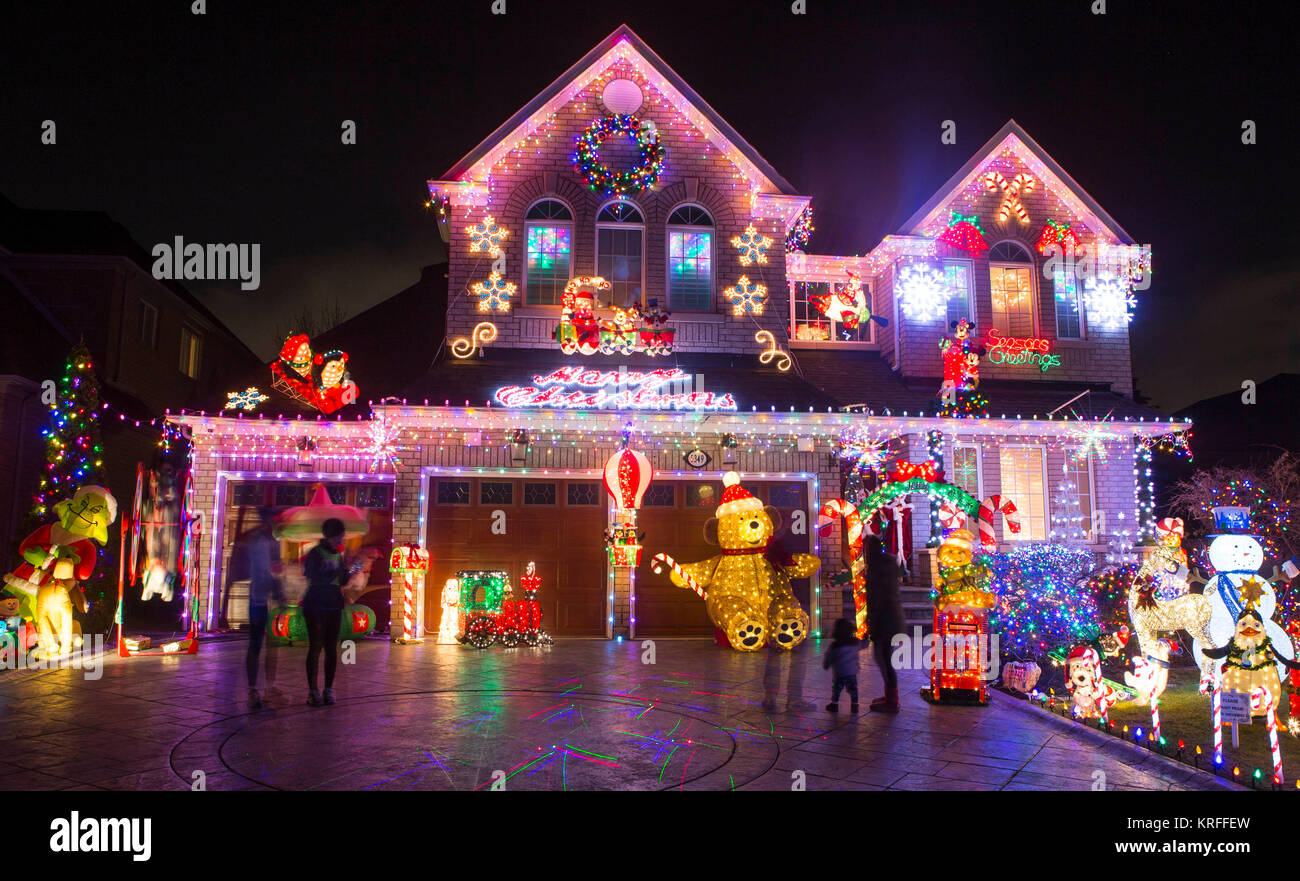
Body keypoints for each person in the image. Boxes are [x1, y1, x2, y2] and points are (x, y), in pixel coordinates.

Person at [301, 517, 357, 706]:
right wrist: (334, 572)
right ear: (330, 535)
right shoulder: (315, 553)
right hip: (316, 603)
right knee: (315, 647)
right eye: (339, 536)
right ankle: (313, 690)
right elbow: (312, 575)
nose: (341, 540)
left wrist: (351, 570)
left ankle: (328, 689)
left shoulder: (337, 555)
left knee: (332, 648)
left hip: (333, 603)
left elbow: (341, 581)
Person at [244, 507, 284, 710]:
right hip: (259, 598)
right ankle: (253, 689)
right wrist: (276, 588)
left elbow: (276, 568)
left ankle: (269, 686)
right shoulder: (259, 541)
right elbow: (262, 571)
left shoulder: (273, 541)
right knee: (256, 644)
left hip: (269, 598)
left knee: (272, 644)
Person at [865, 535, 904, 712]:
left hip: (885, 620)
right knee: (883, 658)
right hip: (890, 618)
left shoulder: (878, 568)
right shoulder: (886, 564)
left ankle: (892, 700)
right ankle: (890, 695)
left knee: (884, 659)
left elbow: (879, 598)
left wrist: (874, 622)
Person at [822, 618, 863, 712]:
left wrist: (826, 665)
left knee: (836, 689)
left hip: (840, 673)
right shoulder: (855, 642)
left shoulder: (835, 645)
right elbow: (864, 644)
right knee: (853, 689)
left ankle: (834, 705)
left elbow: (829, 656)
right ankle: (855, 705)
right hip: (852, 672)